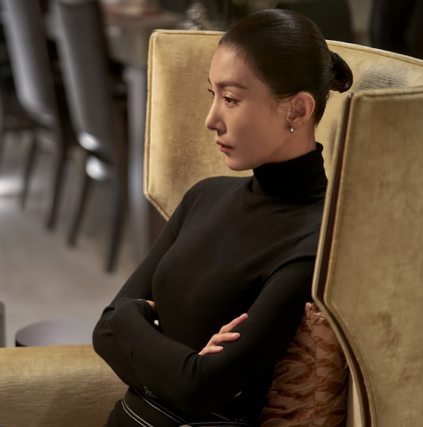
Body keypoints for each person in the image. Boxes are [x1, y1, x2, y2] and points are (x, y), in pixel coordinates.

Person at [92, 8, 353, 427]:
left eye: (230, 99)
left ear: (297, 111)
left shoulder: (317, 240)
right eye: (212, 94)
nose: (211, 119)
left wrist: (132, 321)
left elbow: (200, 388)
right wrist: (182, 364)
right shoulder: (204, 196)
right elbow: (104, 330)